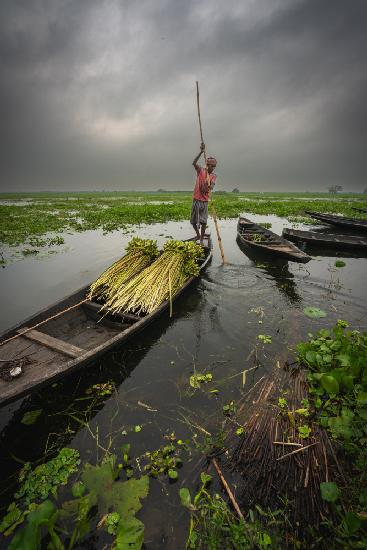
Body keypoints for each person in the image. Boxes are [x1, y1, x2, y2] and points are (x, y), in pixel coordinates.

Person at [191, 142, 217, 245]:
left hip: (205, 201)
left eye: (214, 166)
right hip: (196, 199)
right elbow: (193, 163)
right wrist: (201, 152)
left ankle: (201, 239)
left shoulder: (214, 176)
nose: (213, 168)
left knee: (203, 222)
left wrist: (209, 185)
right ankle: (197, 234)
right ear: (208, 165)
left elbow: (211, 187)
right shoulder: (201, 170)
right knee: (193, 221)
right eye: (212, 166)